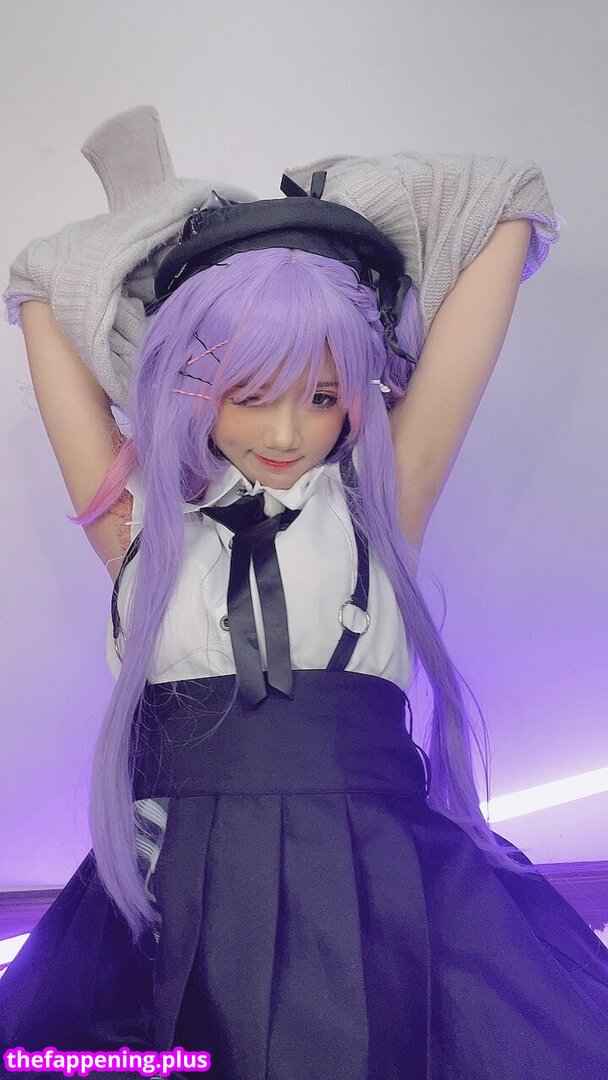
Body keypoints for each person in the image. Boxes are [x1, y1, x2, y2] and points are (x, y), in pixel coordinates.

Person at [1, 107, 608, 1080]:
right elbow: (40, 290)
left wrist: (327, 225)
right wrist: (172, 234)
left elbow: (507, 204)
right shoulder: (143, 530)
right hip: (167, 904)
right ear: (192, 383)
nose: (287, 431)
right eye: (250, 391)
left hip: (383, 892)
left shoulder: (378, 502)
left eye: (322, 395)